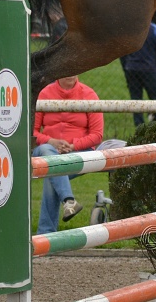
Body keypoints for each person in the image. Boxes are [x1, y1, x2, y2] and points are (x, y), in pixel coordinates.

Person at [32, 76, 104, 234]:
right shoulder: (44, 93)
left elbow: (97, 135)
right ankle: (68, 201)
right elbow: (33, 131)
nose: (71, 73)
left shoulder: (89, 94)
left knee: (53, 172)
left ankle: (46, 234)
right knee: (47, 153)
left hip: (79, 151)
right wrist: (51, 141)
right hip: (47, 149)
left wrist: (73, 146)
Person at [119, 22, 156, 127]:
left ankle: (139, 125)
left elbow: (122, 53)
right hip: (149, 70)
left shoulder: (129, 30)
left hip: (131, 69)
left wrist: (126, 68)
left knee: (135, 99)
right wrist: (155, 69)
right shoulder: (154, 29)